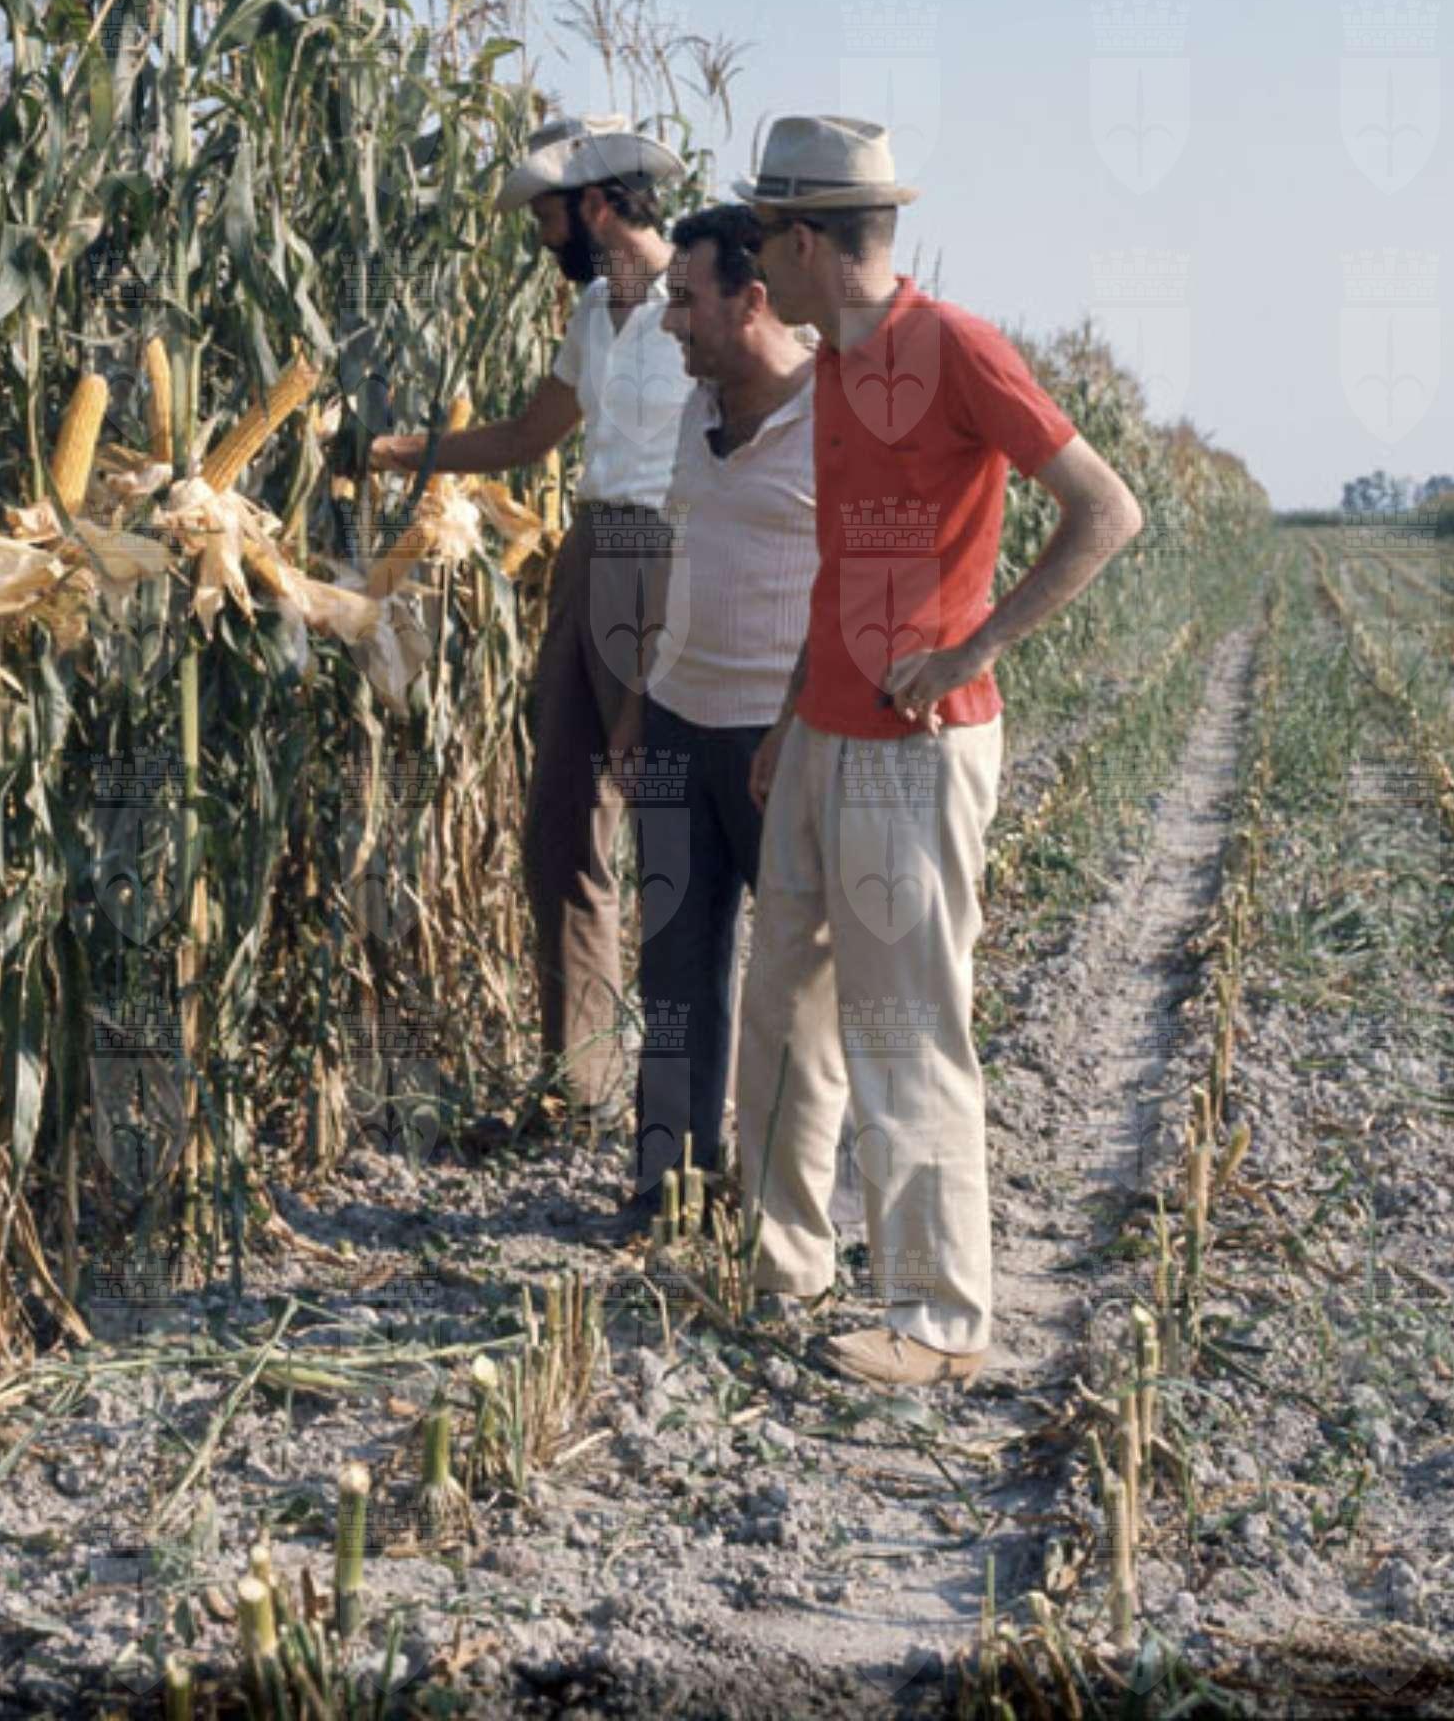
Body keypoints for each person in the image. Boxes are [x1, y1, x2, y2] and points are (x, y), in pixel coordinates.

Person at [731, 116, 1144, 1388]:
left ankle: (938, 1319)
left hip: (915, 748)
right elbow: (841, 566)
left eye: (762, 237)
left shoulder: (955, 347)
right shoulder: (835, 366)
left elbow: (1106, 509)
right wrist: (792, 713)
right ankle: (782, 1266)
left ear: (807, 240)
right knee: (780, 1009)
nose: (754, 263)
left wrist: (972, 648)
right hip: (823, 731)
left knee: (903, 1021)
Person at [368, 114, 694, 1131]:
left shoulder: (707, 298)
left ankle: (688, 1088)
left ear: (593, 205)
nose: (541, 237)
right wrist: (394, 452)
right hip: (590, 551)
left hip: (672, 558)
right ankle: (581, 1082)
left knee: (671, 825)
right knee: (561, 818)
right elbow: (525, 437)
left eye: (546, 216)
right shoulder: (594, 312)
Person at [599, 203, 822, 1241]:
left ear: (752, 299)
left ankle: (786, 1207)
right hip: (678, 721)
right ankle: (668, 1189)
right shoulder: (695, 411)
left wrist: (797, 724)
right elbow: (675, 564)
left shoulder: (834, 411)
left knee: (792, 987)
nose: (670, 321)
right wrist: (637, 703)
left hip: (779, 738)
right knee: (674, 970)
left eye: (686, 300)